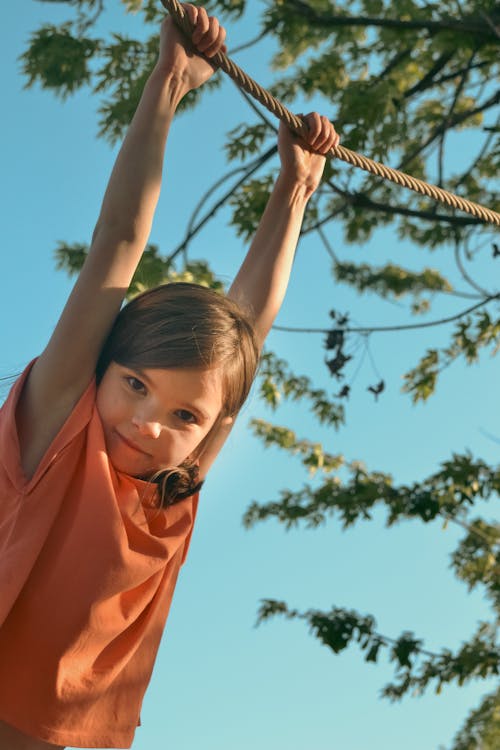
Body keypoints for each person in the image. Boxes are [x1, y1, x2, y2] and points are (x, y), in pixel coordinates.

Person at [0, 4, 339, 749]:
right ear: (103, 368)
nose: (152, 422)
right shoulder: (62, 423)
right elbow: (117, 242)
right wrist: (169, 83)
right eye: (137, 384)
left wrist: (296, 190)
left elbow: (250, 325)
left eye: (188, 417)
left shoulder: (172, 489)